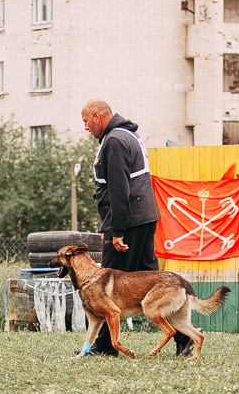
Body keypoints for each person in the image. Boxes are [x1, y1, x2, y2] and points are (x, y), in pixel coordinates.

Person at [78, 99, 193, 356]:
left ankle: (106, 346)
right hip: (143, 216)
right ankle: (184, 339)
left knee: (108, 284)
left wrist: (116, 230)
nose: (85, 127)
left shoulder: (115, 141)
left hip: (128, 221)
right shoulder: (128, 135)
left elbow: (119, 189)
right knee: (153, 278)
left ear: (98, 116)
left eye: (86, 121)